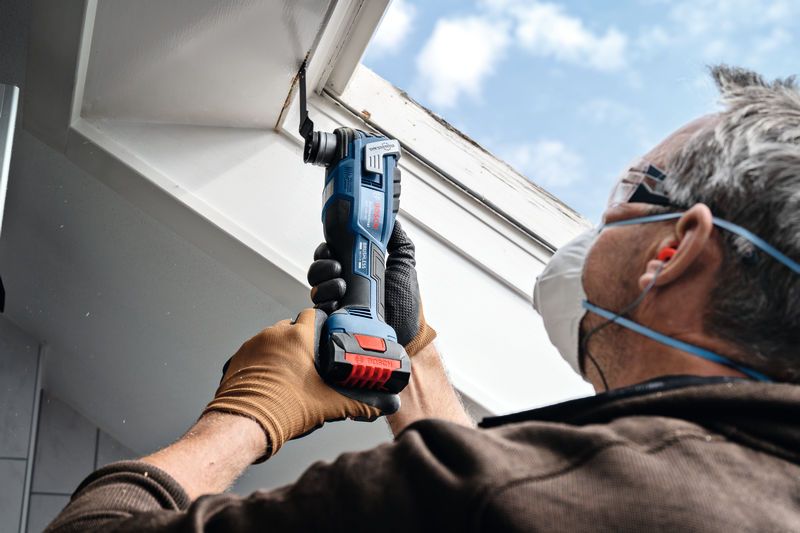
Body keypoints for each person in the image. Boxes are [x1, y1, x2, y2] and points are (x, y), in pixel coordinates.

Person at [46, 65, 800, 532]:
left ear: (674, 250)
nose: (598, 223)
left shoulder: (544, 495)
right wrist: (415, 356)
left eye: (631, 190)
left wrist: (247, 415)